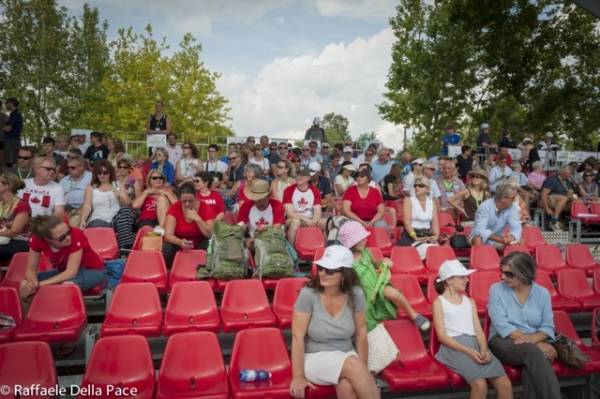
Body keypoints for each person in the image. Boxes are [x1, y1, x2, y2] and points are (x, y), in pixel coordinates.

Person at [289, 245, 379, 399]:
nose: (323, 273)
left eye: (330, 270)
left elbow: (361, 333)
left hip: (347, 354)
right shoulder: (308, 294)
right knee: (353, 365)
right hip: (316, 356)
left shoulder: (356, 294)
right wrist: (298, 377)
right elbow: (297, 337)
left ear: (344, 274)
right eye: (321, 268)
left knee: (348, 387)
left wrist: (362, 371)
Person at [433, 260, 512, 399]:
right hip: (454, 348)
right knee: (480, 385)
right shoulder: (438, 303)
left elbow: (478, 330)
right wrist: (468, 351)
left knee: (505, 384)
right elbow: (442, 336)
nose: (467, 280)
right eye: (462, 277)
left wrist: (484, 349)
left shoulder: (470, 301)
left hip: (475, 344)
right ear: (449, 280)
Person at [488, 252, 561, 399]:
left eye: (509, 274)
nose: (503, 277)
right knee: (534, 352)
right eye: (501, 272)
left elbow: (547, 326)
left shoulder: (542, 293)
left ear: (524, 273)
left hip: (533, 345)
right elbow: (502, 326)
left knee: (531, 368)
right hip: (503, 341)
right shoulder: (496, 290)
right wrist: (535, 343)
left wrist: (535, 340)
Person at [339, 220, 430, 331]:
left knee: (394, 294)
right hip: (363, 293)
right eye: (361, 239)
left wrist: (383, 261)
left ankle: (414, 315)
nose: (365, 240)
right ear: (353, 243)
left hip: (378, 286)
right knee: (366, 315)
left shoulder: (366, 252)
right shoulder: (346, 261)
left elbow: (375, 263)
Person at [19, 215, 106, 300]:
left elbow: (71, 272)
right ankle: (30, 314)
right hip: (63, 271)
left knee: (66, 285)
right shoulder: (36, 240)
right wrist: (33, 283)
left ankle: (66, 313)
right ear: (47, 239)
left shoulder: (76, 234)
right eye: (62, 238)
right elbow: (30, 270)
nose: (68, 237)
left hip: (92, 270)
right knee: (25, 285)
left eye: (68, 232)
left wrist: (40, 284)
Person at [79, 160, 135, 249]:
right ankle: (122, 245)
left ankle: (125, 248)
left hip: (116, 220)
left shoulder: (118, 185)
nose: (102, 175)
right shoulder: (91, 187)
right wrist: (83, 220)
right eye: (99, 172)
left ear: (110, 173)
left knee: (126, 210)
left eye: (105, 172)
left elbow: (127, 204)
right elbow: (87, 206)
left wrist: (119, 197)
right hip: (98, 220)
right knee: (97, 223)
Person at [162, 182, 215, 267]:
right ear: (180, 199)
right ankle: (170, 272)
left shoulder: (204, 207)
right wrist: (180, 242)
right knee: (167, 247)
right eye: (184, 201)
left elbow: (210, 234)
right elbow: (168, 235)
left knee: (210, 244)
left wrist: (198, 219)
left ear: (196, 197)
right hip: (180, 244)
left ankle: (204, 270)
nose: (187, 204)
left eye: (190, 201)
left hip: (199, 244)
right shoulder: (175, 207)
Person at [398, 177, 440, 259]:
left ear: (427, 189)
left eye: (420, 185)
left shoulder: (432, 203)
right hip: (411, 235)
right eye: (415, 185)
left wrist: (436, 236)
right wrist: (414, 237)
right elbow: (407, 222)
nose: (417, 187)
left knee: (438, 251)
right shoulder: (408, 200)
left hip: (427, 235)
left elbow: (435, 223)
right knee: (430, 250)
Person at [469, 184, 522, 249]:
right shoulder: (485, 206)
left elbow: (516, 228)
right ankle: (480, 257)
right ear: (503, 198)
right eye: (513, 198)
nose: (514, 200)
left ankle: (510, 259)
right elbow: (480, 230)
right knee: (478, 238)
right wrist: (500, 239)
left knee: (520, 240)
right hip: (479, 237)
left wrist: (512, 236)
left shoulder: (512, 207)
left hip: (498, 239)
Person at [283, 166, 324, 245]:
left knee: (328, 223)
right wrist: (305, 220)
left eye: (302, 175)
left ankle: (324, 249)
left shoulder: (315, 191)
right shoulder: (289, 190)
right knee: (296, 222)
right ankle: (292, 250)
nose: (299, 177)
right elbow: (290, 214)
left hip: (311, 219)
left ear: (308, 178)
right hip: (293, 219)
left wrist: (314, 221)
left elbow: (318, 211)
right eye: (297, 174)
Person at [0, 173, 31, 261]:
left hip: (21, 241)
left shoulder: (22, 205)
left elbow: (15, 231)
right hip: (3, 239)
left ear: (7, 186)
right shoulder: (1, 203)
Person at [541, 165, 576, 232]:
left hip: (562, 201)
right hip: (548, 200)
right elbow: (543, 194)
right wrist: (547, 208)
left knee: (577, 201)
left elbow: (570, 192)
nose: (570, 175)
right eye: (569, 173)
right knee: (563, 198)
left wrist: (571, 194)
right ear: (563, 172)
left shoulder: (567, 181)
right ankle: (554, 221)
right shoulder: (552, 179)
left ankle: (575, 224)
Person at [60, 155, 93, 226]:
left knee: (72, 224)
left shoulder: (91, 178)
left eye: (73, 167)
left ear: (82, 166)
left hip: (82, 209)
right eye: (68, 167)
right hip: (64, 209)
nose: (70, 170)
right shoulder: (64, 180)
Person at [3, 97, 23, 168]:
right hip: (13, 141)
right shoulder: (14, 114)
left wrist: (2, 127)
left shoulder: (15, 114)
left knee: (11, 162)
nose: (5, 105)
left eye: (6, 103)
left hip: (12, 141)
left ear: (11, 103)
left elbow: (8, 129)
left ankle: (12, 178)